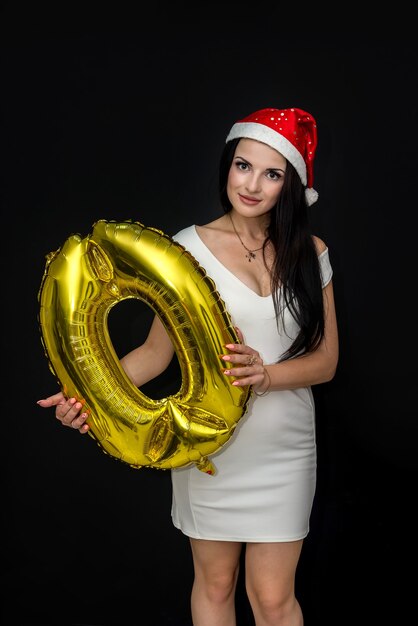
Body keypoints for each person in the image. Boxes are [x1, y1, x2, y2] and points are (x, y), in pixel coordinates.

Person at [38, 106, 339, 626]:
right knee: (216, 583)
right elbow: (157, 355)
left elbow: (327, 361)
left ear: (290, 184)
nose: (252, 184)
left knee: (273, 599)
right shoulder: (186, 248)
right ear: (227, 164)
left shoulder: (310, 253)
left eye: (272, 174)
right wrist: (84, 394)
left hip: (285, 447)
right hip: (209, 446)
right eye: (243, 165)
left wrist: (265, 375)